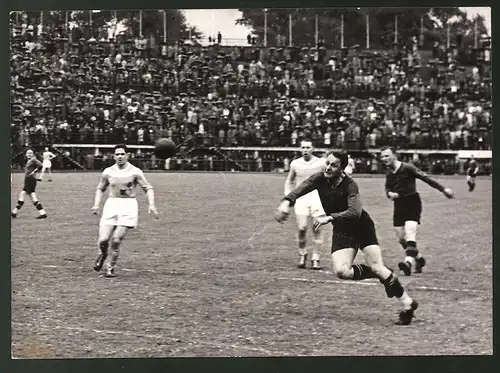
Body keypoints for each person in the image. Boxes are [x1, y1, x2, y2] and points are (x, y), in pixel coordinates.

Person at [275, 151, 418, 325]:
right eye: (326, 163)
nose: (328, 167)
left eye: (333, 165)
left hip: (361, 227)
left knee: (379, 268)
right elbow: (300, 189)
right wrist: (285, 203)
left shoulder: (350, 185)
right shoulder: (319, 178)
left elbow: (355, 211)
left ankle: (408, 304)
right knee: (342, 271)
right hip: (342, 229)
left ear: (342, 168)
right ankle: (379, 272)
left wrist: (329, 217)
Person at [380, 146, 454, 276]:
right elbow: (388, 188)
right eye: (382, 156)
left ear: (394, 155)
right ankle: (419, 259)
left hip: (412, 202)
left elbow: (426, 178)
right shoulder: (389, 173)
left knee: (410, 234)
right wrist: (390, 193)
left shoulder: (408, 168)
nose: (384, 159)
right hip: (399, 205)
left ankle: (407, 262)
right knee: (401, 239)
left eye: (387, 156)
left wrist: (443, 189)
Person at [91, 144, 159, 278]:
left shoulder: (135, 172)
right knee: (103, 240)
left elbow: (148, 188)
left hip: (128, 206)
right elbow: (100, 188)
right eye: (117, 154)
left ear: (127, 155)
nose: (120, 156)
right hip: (112, 204)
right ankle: (103, 253)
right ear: (114, 156)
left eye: (122, 154)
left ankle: (110, 267)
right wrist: (96, 204)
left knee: (116, 240)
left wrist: (151, 204)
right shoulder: (108, 172)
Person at [284, 140, 326, 270]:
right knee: (302, 228)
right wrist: (289, 197)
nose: (305, 150)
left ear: (313, 148)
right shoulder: (295, 164)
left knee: (317, 228)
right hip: (301, 198)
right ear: (300, 149)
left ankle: (316, 258)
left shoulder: (321, 163)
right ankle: (302, 254)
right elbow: (289, 181)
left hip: (318, 198)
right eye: (303, 147)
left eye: (308, 147)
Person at [11, 149, 48, 219]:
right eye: (28, 153)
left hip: (31, 180)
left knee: (23, 195)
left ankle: (14, 212)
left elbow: (41, 165)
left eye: (30, 153)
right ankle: (43, 213)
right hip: (28, 180)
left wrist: (34, 171)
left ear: (33, 154)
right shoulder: (29, 161)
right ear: (26, 154)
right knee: (32, 197)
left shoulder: (33, 160)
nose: (29, 154)